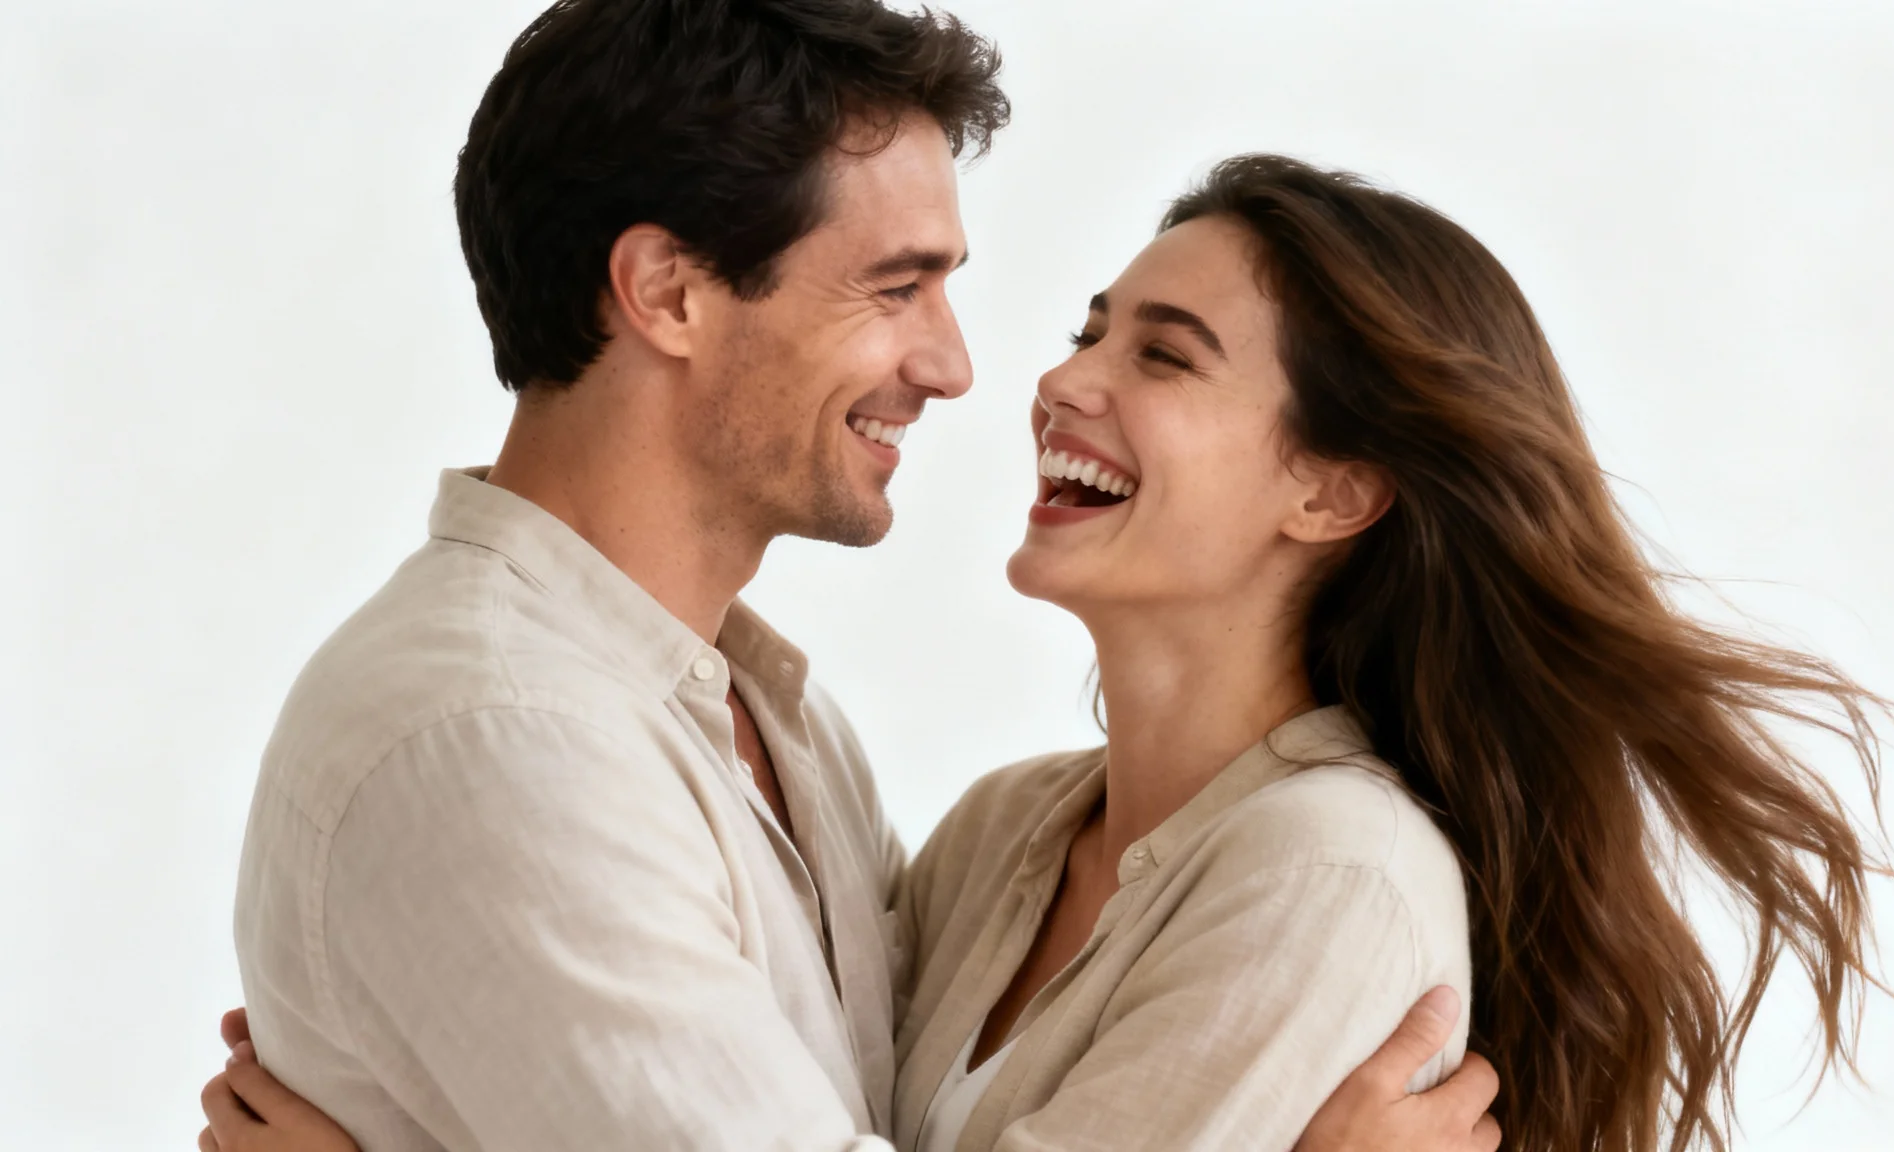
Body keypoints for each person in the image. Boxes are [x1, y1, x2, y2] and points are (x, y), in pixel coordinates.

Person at [197, 2, 1500, 1151]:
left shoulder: (781, 727)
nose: (959, 367)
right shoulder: (499, 738)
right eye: (895, 288)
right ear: (669, 292)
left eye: (1165, 355)